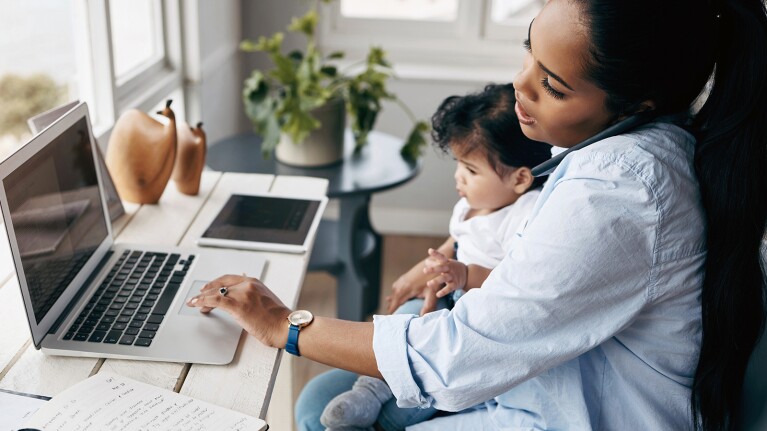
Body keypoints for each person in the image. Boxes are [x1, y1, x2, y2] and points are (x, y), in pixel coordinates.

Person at [187, 0, 767, 429]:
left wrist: (282, 324)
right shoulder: (621, 148)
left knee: (319, 410)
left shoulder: (620, 194)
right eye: (529, 52)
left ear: (636, 103)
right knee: (320, 405)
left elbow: (458, 357)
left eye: (554, 86)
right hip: (542, 379)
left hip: (576, 412)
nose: (519, 86)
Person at [319, 84, 552, 430]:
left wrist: (464, 274)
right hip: (446, 297)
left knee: (424, 352)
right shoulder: (473, 204)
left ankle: (389, 412)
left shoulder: (525, 213)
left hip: (474, 322)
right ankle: (366, 392)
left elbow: (514, 281)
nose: (459, 177)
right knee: (402, 326)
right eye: (459, 165)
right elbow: (457, 241)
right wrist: (437, 264)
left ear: (519, 178)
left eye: (471, 171)